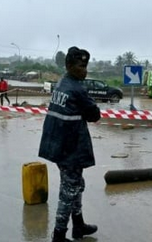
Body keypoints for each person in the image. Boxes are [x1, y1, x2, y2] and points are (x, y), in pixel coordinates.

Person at [38, 46, 100, 242]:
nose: (85, 70)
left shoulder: (62, 83)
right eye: (81, 66)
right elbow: (94, 115)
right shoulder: (76, 88)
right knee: (69, 190)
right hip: (70, 148)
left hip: (59, 145)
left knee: (76, 186)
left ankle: (79, 225)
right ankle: (59, 235)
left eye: (86, 66)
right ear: (70, 66)